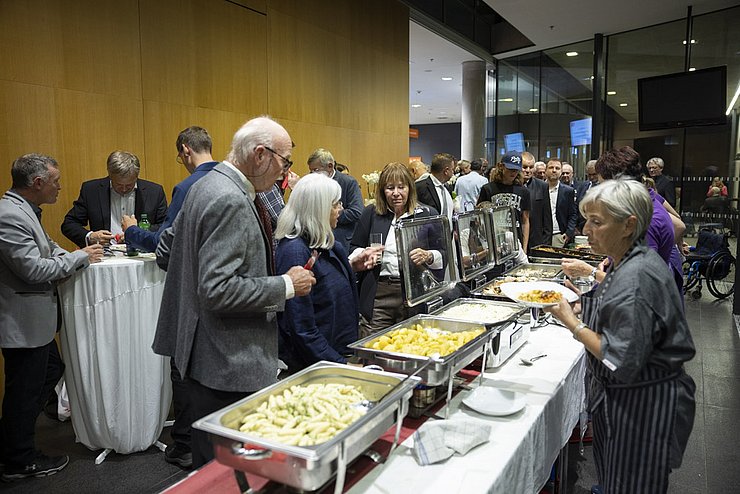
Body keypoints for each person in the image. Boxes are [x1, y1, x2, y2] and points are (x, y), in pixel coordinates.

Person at [153, 116, 316, 468]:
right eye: (285, 161)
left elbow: (169, 250)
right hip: (226, 359)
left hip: (205, 353)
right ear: (260, 154)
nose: (286, 173)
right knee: (225, 469)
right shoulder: (230, 198)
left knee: (210, 464)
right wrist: (287, 285)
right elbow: (218, 289)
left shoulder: (205, 185)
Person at [546, 178, 695, 493]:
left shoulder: (637, 276)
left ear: (629, 225)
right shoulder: (629, 260)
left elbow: (620, 355)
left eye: (596, 222)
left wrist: (573, 322)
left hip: (640, 410)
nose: (586, 230)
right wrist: (586, 303)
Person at [0, 154, 104, 481]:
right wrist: (79, 258)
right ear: (38, 183)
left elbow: (49, 248)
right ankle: (19, 460)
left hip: (36, 323)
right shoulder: (9, 216)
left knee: (48, 372)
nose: (60, 187)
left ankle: (16, 446)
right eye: (56, 181)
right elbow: (33, 269)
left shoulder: (25, 211)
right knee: (25, 389)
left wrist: (71, 256)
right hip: (22, 324)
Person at [275, 174, 377, 373]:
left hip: (337, 352)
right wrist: (341, 365)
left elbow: (324, 284)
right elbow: (301, 328)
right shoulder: (295, 251)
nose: (340, 209)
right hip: (317, 364)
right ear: (319, 208)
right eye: (335, 204)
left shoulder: (327, 243)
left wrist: (350, 267)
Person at [350, 163, 443, 337]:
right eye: (390, 188)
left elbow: (443, 254)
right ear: (382, 191)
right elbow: (355, 246)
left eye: (401, 187)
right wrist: (363, 255)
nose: (396, 193)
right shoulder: (371, 213)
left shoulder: (427, 213)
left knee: (409, 345)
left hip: (413, 293)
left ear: (410, 188)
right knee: (373, 346)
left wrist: (429, 256)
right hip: (378, 293)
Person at [122, 127, 218, 254]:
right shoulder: (232, 179)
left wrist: (131, 229)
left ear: (185, 150)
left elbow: (162, 243)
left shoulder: (187, 188)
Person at [61, 151, 168, 248]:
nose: (124, 189)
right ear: (110, 175)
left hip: (141, 255)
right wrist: (90, 236)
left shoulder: (154, 191)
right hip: (103, 256)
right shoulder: (91, 191)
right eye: (119, 185)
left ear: (136, 176)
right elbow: (69, 224)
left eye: (129, 185)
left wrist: (136, 234)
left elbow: (165, 226)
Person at [307, 149, 363, 252]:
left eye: (316, 170)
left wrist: (328, 214)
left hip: (341, 241)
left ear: (330, 166)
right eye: (311, 171)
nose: (312, 175)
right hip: (318, 241)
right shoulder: (312, 183)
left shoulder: (349, 182)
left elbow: (357, 212)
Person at [477, 151, 531, 253]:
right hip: (494, 242)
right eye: (510, 169)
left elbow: (525, 221)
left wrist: (524, 248)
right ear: (501, 166)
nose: (513, 173)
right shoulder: (488, 189)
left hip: (516, 241)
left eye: (516, 170)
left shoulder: (524, 192)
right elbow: (480, 217)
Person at [522, 151, 553, 251]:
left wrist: (546, 246)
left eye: (530, 167)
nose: (527, 170)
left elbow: (547, 219)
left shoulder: (542, 186)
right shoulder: (512, 186)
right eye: (524, 167)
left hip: (536, 240)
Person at [416, 153, 455, 226]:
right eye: (452, 169)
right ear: (446, 171)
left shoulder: (447, 187)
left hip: (449, 235)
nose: (453, 173)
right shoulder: (420, 187)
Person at [545, 159, 578, 247]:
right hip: (541, 235)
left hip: (559, 235)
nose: (554, 170)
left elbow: (573, 214)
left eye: (557, 168)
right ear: (546, 170)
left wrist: (568, 233)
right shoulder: (538, 188)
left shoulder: (568, 191)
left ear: (561, 171)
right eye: (551, 167)